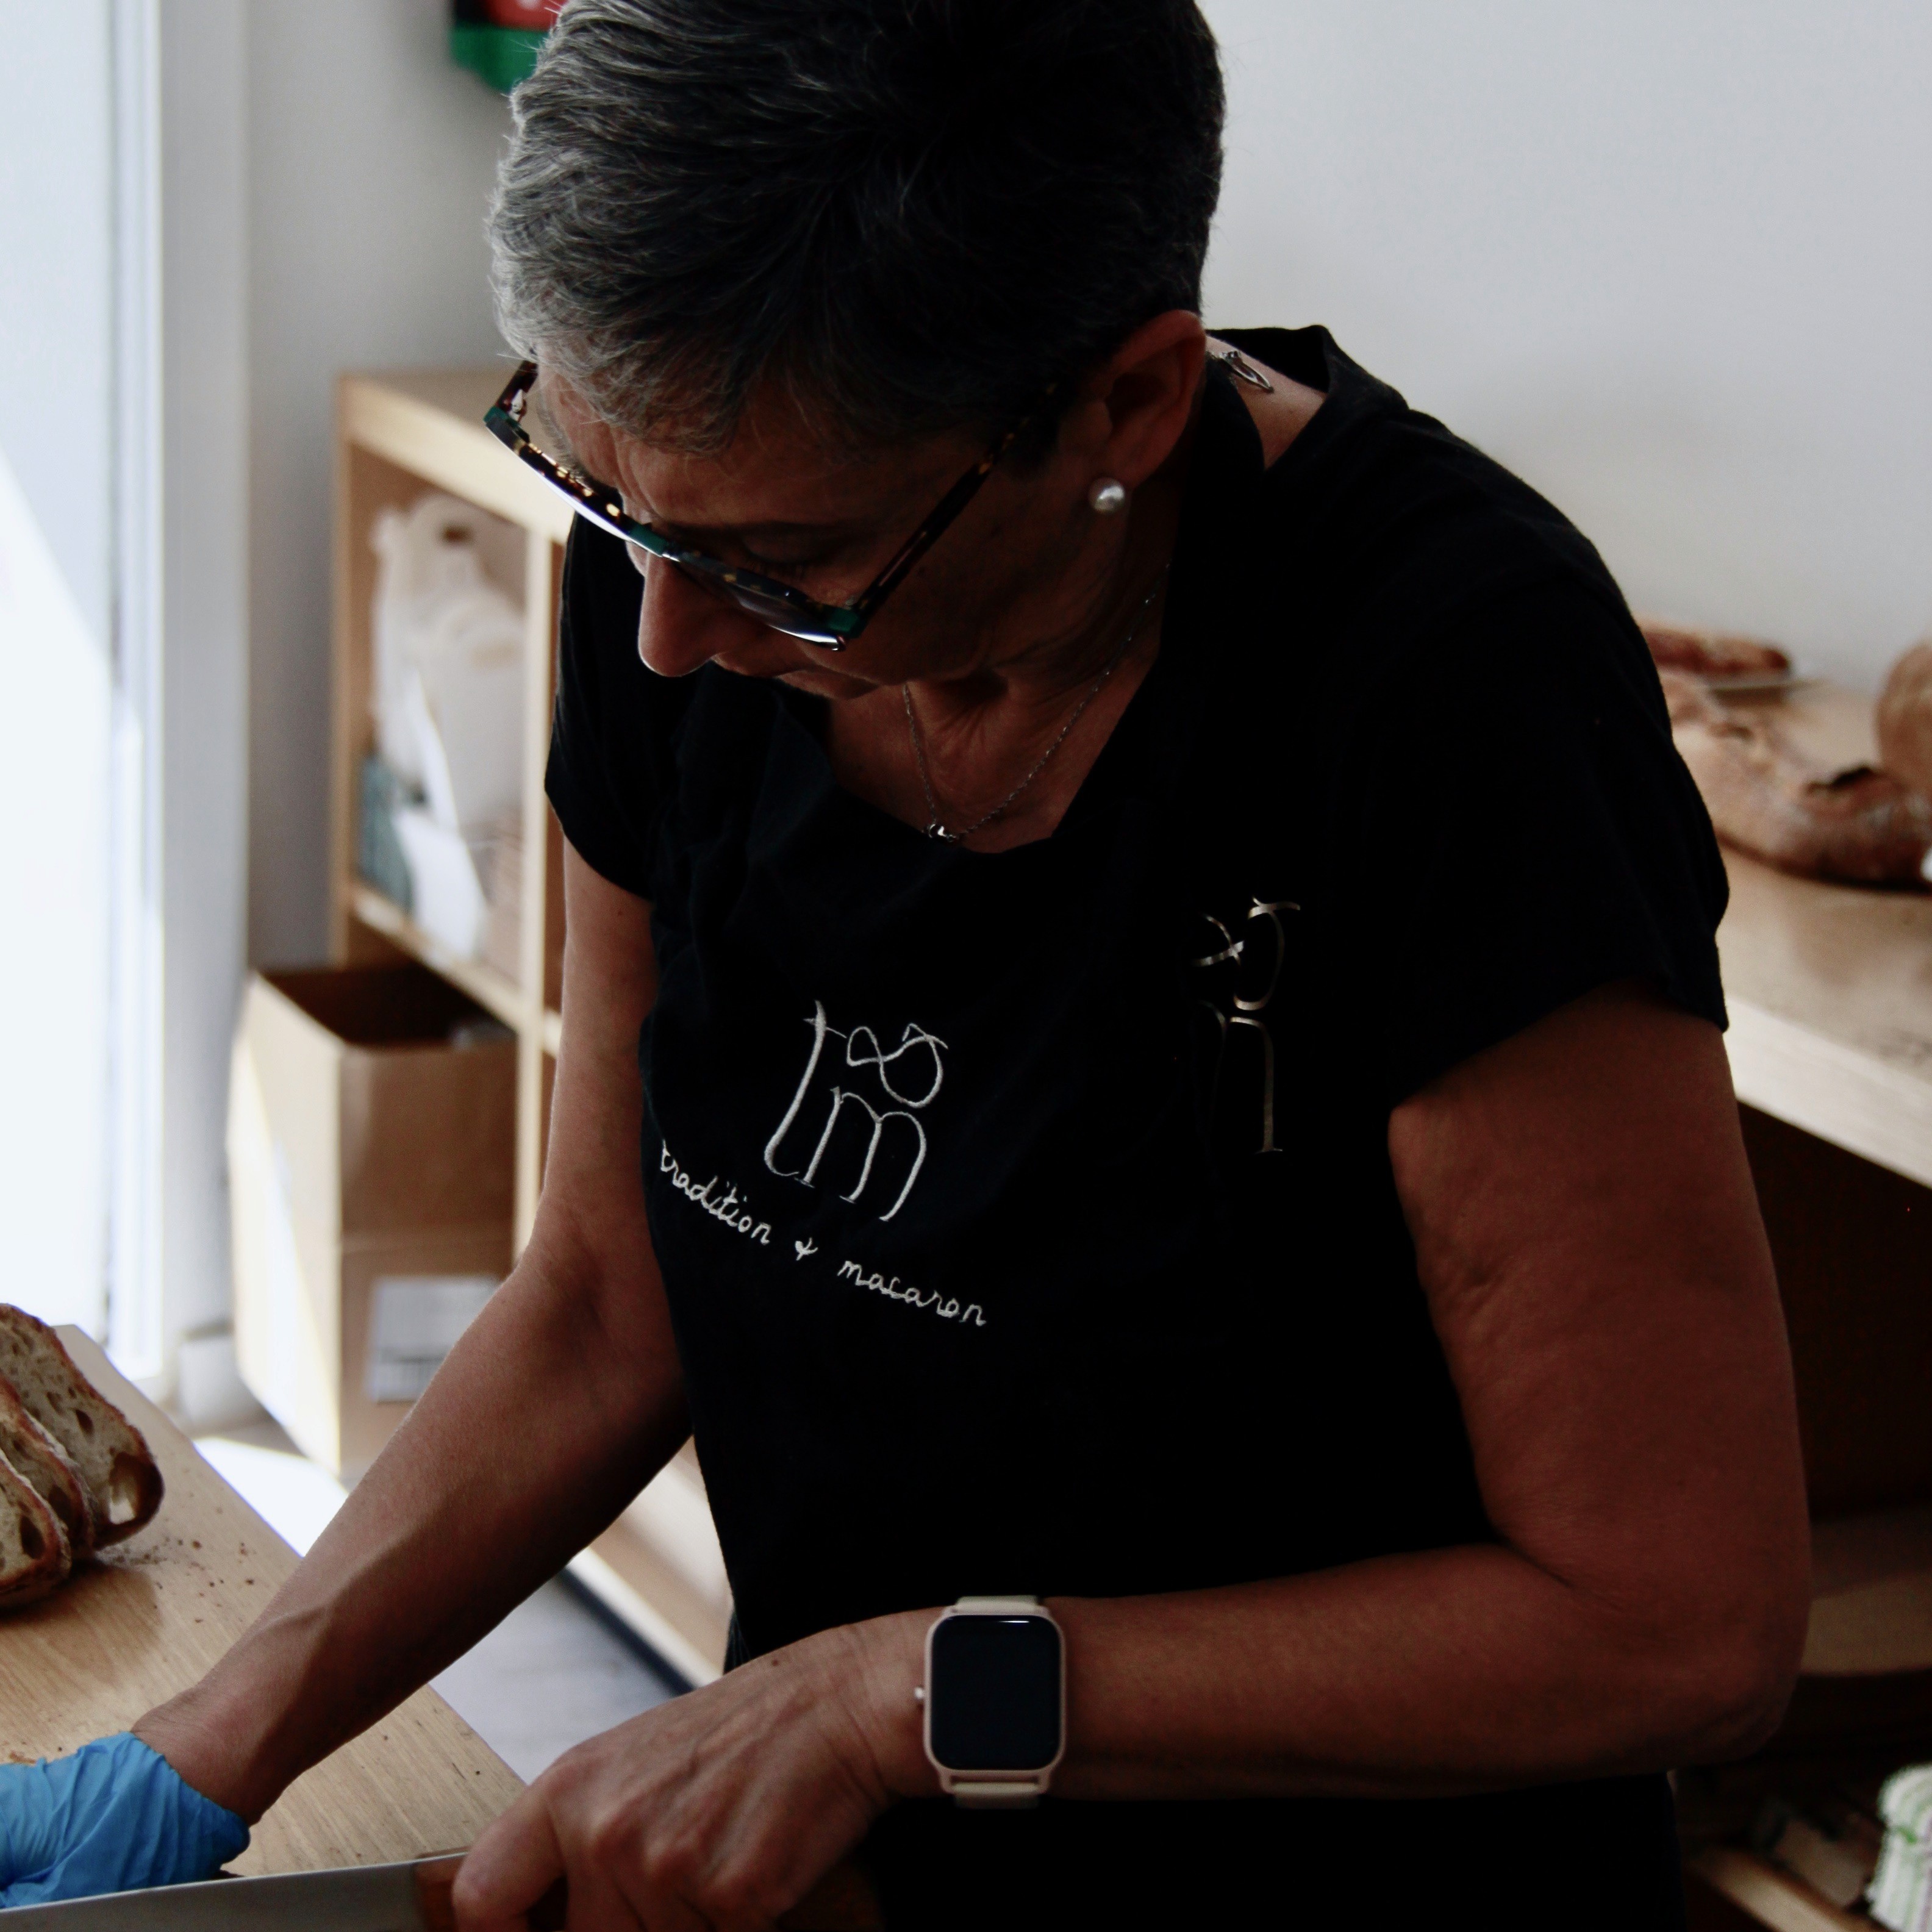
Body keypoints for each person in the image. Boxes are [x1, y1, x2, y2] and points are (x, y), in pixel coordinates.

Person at [2, 2, 1810, 1925]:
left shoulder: (1447, 688)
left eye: (790, 565)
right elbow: (613, 1295)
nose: (670, 641)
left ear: (1128, 401)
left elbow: (1674, 1623)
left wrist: (901, 1696)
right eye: (613, 503)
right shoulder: (677, 575)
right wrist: (210, 1743)